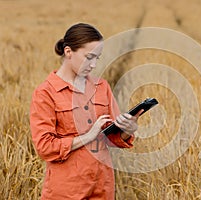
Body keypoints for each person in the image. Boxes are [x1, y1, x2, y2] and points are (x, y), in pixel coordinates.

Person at [30, 23, 143, 200]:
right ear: (68, 52)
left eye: (97, 58)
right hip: (65, 191)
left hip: (102, 187)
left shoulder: (101, 87)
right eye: (89, 57)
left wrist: (128, 129)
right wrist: (87, 137)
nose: (93, 64)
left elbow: (112, 137)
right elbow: (45, 148)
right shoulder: (45, 93)